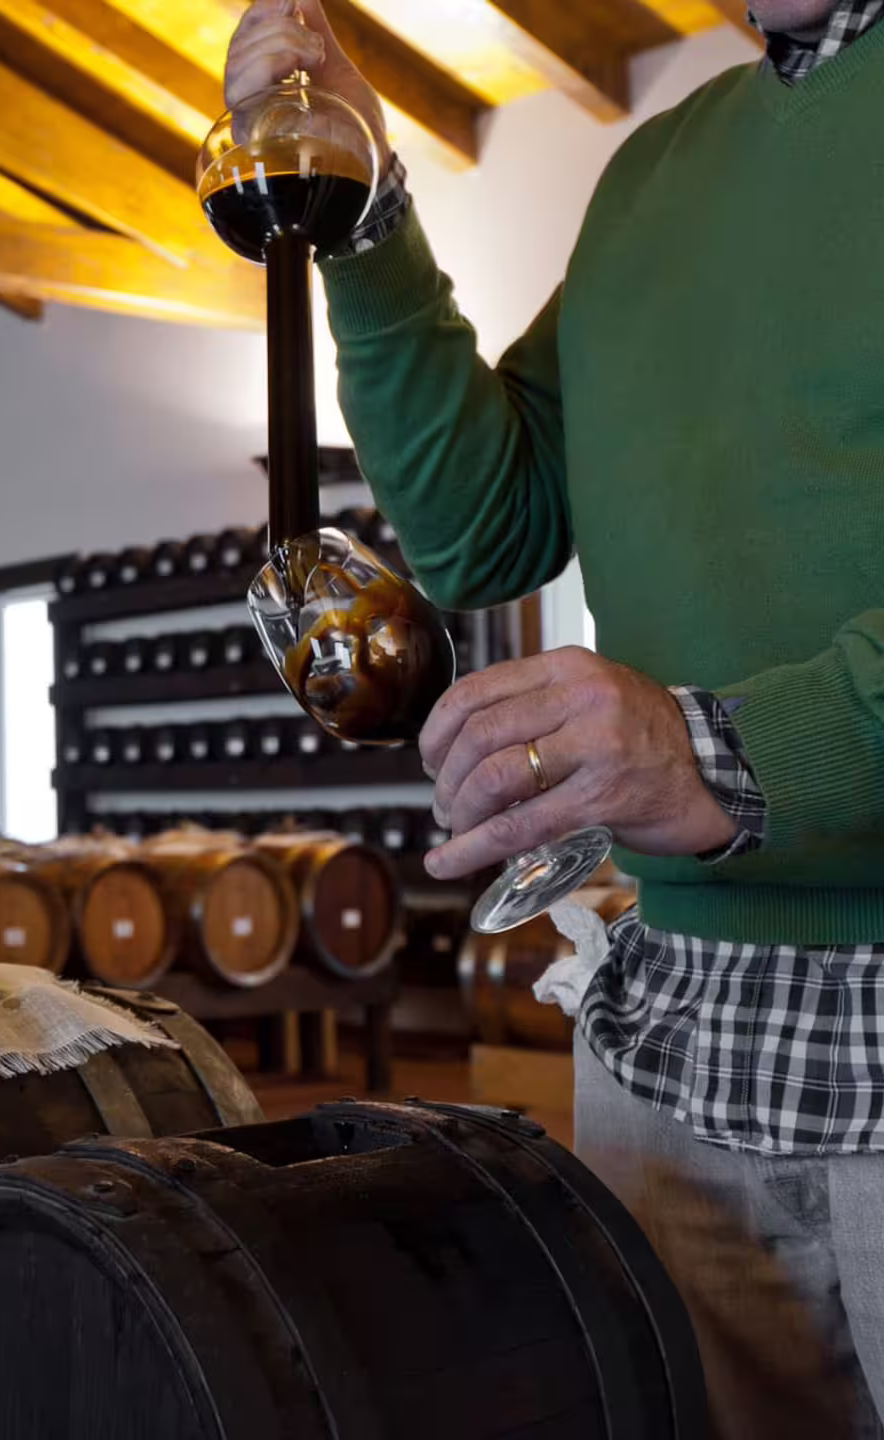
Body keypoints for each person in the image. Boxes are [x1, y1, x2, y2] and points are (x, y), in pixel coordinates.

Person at [224, 0, 884, 1433]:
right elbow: (481, 524)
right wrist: (360, 201)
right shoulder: (653, 174)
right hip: (676, 1029)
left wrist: (714, 748)